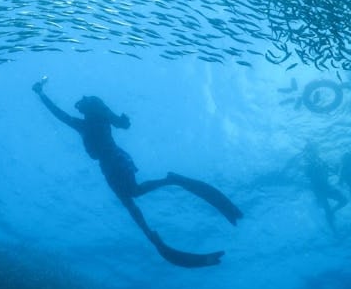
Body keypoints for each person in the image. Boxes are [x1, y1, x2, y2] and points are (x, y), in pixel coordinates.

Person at [32, 78, 242, 268]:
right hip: (116, 161)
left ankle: (156, 219)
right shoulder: (102, 118)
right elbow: (122, 123)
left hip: (112, 163)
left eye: (83, 103)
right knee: (133, 195)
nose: (80, 105)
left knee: (130, 199)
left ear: (87, 108)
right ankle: (169, 186)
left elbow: (58, 113)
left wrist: (42, 95)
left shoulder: (85, 124)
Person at [300, 142, 348, 230]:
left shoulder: (321, 161)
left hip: (327, 187)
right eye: (314, 149)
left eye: (316, 149)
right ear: (310, 151)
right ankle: (335, 232)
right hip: (318, 190)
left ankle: (332, 213)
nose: (317, 151)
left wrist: (337, 168)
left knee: (344, 200)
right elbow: (306, 175)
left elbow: (332, 171)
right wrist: (313, 166)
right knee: (327, 210)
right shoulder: (307, 163)